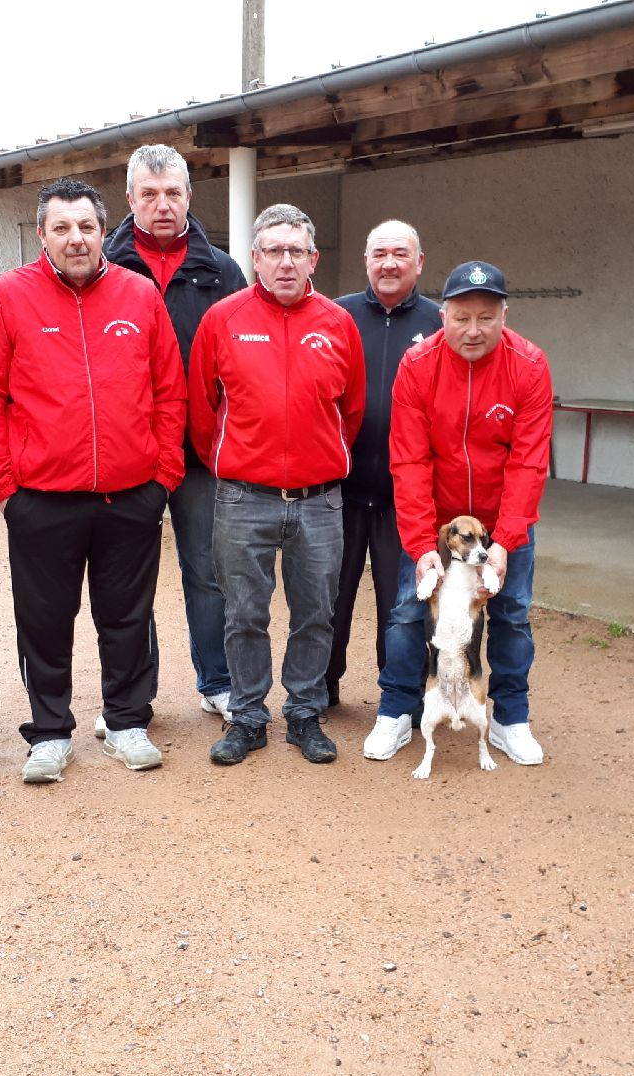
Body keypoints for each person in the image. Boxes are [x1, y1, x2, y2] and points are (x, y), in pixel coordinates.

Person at [0, 178, 186, 782]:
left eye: (86, 226)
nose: (76, 238)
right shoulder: (7, 296)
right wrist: (5, 489)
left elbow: (170, 391)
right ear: (42, 235)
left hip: (130, 496)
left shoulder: (139, 294)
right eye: (61, 228)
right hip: (40, 499)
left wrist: (163, 477)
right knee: (44, 622)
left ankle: (126, 721)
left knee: (127, 617)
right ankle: (50, 732)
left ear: (103, 230)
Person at [187, 204, 365, 766]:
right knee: (244, 614)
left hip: (319, 501)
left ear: (313, 259)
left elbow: (351, 410)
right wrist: (237, 462)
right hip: (243, 498)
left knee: (316, 613)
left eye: (296, 251)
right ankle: (247, 716)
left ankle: (305, 712)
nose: (285, 262)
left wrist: (318, 459)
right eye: (273, 251)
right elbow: (201, 410)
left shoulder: (338, 323)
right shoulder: (223, 319)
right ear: (255, 258)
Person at [368, 261, 553, 766]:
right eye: (462, 317)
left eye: (486, 318)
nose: (474, 330)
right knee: (408, 612)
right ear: (442, 315)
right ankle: (397, 710)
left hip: (501, 522)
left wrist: (505, 541)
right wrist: (420, 545)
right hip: (437, 524)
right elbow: (409, 460)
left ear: (504, 316)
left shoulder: (529, 365)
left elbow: (529, 461)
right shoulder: (417, 365)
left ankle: (510, 718)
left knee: (512, 615)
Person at [103, 145, 247, 730]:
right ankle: (132, 695)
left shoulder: (223, 271)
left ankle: (217, 682)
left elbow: (242, 360)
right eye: (149, 194)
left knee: (208, 571)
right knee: (128, 579)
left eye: (172, 193)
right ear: (130, 199)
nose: (162, 205)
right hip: (129, 451)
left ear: (189, 196)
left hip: (200, 453)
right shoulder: (104, 267)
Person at [327, 220, 442, 719]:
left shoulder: (440, 322)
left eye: (401, 254)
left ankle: (403, 697)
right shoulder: (336, 316)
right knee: (329, 599)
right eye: (380, 254)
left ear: (419, 262)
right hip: (338, 490)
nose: (389, 264)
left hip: (407, 497)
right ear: (366, 261)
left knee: (405, 606)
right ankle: (320, 688)